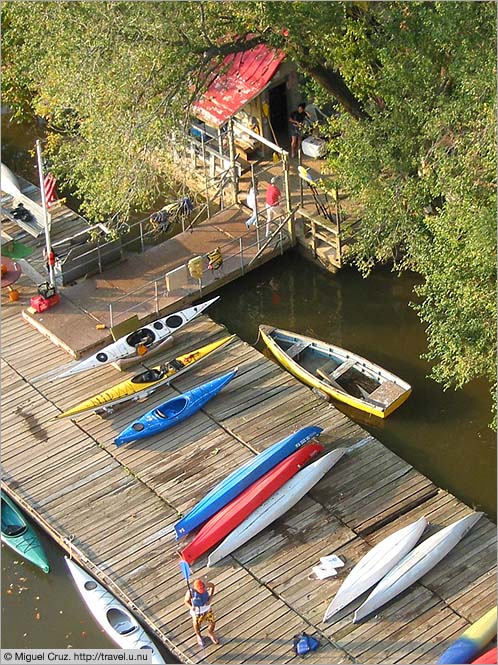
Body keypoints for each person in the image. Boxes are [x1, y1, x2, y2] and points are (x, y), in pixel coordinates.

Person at [184, 578, 219, 647]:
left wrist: (210, 598)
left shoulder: (205, 585)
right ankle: (198, 635)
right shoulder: (190, 592)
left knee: (212, 622)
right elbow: (186, 601)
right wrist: (191, 607)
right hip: (197, 611)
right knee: (196, 623)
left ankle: (211, 633)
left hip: (206, 609)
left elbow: (212, 586)